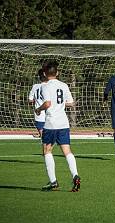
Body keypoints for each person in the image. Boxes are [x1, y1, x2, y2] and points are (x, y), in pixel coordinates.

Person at [35, 60, 81, 192]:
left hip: (51, 123)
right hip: (63, 123)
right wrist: (59, 104)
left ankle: (53, 182)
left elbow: (48, 104)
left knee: (47, 151)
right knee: (67, 151)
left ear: (44, 73)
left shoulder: (45, 86)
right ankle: (75, 175)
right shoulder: (64, 85)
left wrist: (39, 109)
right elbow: (71, 103)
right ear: (58, 73)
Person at [28, 69, 48, 138]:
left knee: (40, 126)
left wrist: (36, 100)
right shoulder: (50, 86)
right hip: (49, 110)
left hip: (38, 111)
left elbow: (30, 100)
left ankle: (41, 135)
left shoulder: (35, 86)